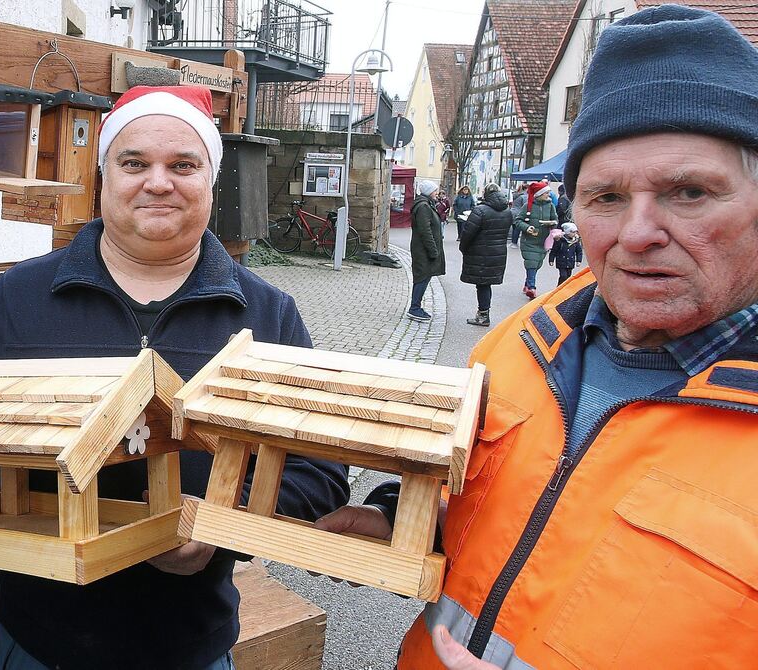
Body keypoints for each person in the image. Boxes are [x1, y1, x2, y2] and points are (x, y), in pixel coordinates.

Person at [315, 5, 758, 668]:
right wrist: (397, 520)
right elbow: (474, 498)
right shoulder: (519, 342)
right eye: (606, 197)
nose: (637, 233)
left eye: (688, 191)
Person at [0, 85, 350, 670]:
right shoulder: (18, 300)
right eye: (134, 163)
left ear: (211, 182)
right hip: (41, 641)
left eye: (183, 165)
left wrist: (223, 521)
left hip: (189, 644)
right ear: (104, 177)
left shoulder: (267, 316)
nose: (158, 182)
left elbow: (320, 468)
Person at [459, 183, 511, 326]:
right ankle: (484, 313)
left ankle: (483, 315)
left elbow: (468, 233)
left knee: (482, 285)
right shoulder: (507, 211)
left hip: (481, 252)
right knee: (486, 284)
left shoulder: (480, 210)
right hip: (498, 252)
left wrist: (463, 248)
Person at [407, 180, 446, 322]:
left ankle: (416, 306)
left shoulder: (426, 204)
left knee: (424, 276)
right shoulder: (423, 206)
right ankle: (414, 308)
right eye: (435, 191)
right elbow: (425, 230)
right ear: (429, 192)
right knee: (422, 277)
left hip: (424, 249)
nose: (437, 193)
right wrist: (433, 251)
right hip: (422, 249)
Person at [515, 182, 557, 299]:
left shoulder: (551, 206)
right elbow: (518, 221)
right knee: (532, 262)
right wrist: (527, 227)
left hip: (543, 241)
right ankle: (532, 288)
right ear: (540, 194)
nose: (549, 195)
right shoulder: (527, 206)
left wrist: (552, 224)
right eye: (546, 193)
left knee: (537, 264)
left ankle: (527, 283)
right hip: (529, 241)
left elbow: (555, 219)